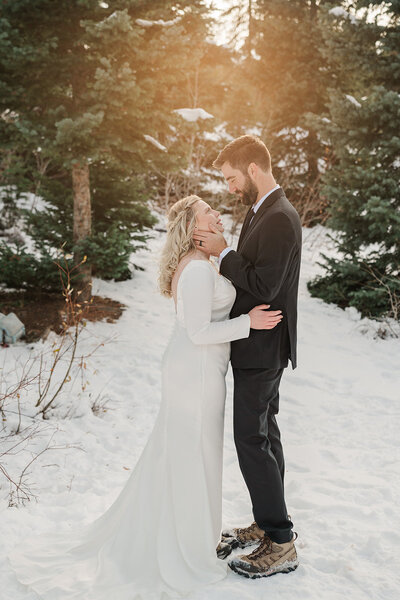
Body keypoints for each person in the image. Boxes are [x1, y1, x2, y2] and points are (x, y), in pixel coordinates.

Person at [7, 194, 283, 599]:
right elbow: (198, 333)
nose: (217, 214)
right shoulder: (196, 273)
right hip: (196, 373)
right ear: (194, 226)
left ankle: (187, 536)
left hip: (199, 369)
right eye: (209, 211)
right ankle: (184, 547)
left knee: (189, 455)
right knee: (192, 457)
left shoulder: (201, 265)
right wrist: (249, 322)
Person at [193, 134, 302, 579]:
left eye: (233, 177)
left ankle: (281, 542)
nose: (231, 187)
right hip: (260, 345)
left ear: (254, 169)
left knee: (250, 440)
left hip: (263, 346)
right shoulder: (262, 209)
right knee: (265, 435)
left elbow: (263, 286)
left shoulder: (278, 216)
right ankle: (267, 520)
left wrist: (223, 253)